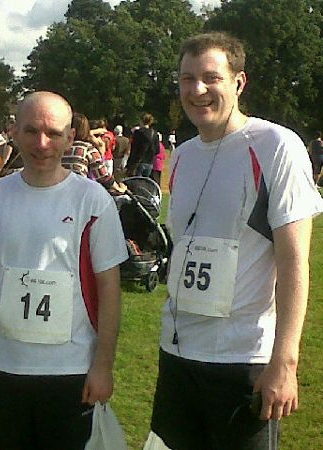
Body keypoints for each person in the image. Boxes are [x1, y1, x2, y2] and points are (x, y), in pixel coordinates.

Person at [144, 32, 323, 450]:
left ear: (239, 82)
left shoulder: (275, 145)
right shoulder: (184, 155)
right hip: (178, 353)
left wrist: (285, 361)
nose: (197, 90)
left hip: (242, 360)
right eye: (187, 79)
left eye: (211, 77)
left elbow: (295, 264)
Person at [0, 91, 128, 450]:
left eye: (53, 133)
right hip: (6, 372)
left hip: (72, 374)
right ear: (14, 133)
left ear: (69, 137)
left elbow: (110, 288)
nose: (42, 143)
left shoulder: (92, 200)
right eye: (31, 131)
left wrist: (103, 365)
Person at [62, 112, 126, 195]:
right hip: (77, 193)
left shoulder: (58, 147)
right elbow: (103, 177)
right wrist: (119, 189)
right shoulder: (87, 148)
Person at [127, 113, 158, 177]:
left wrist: (129, 163)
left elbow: (134, 149)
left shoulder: (138, 132)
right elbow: (157, 150)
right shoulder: (154, 134)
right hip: (149, 162)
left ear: (141, 121)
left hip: (138, 161)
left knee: (137, 184)